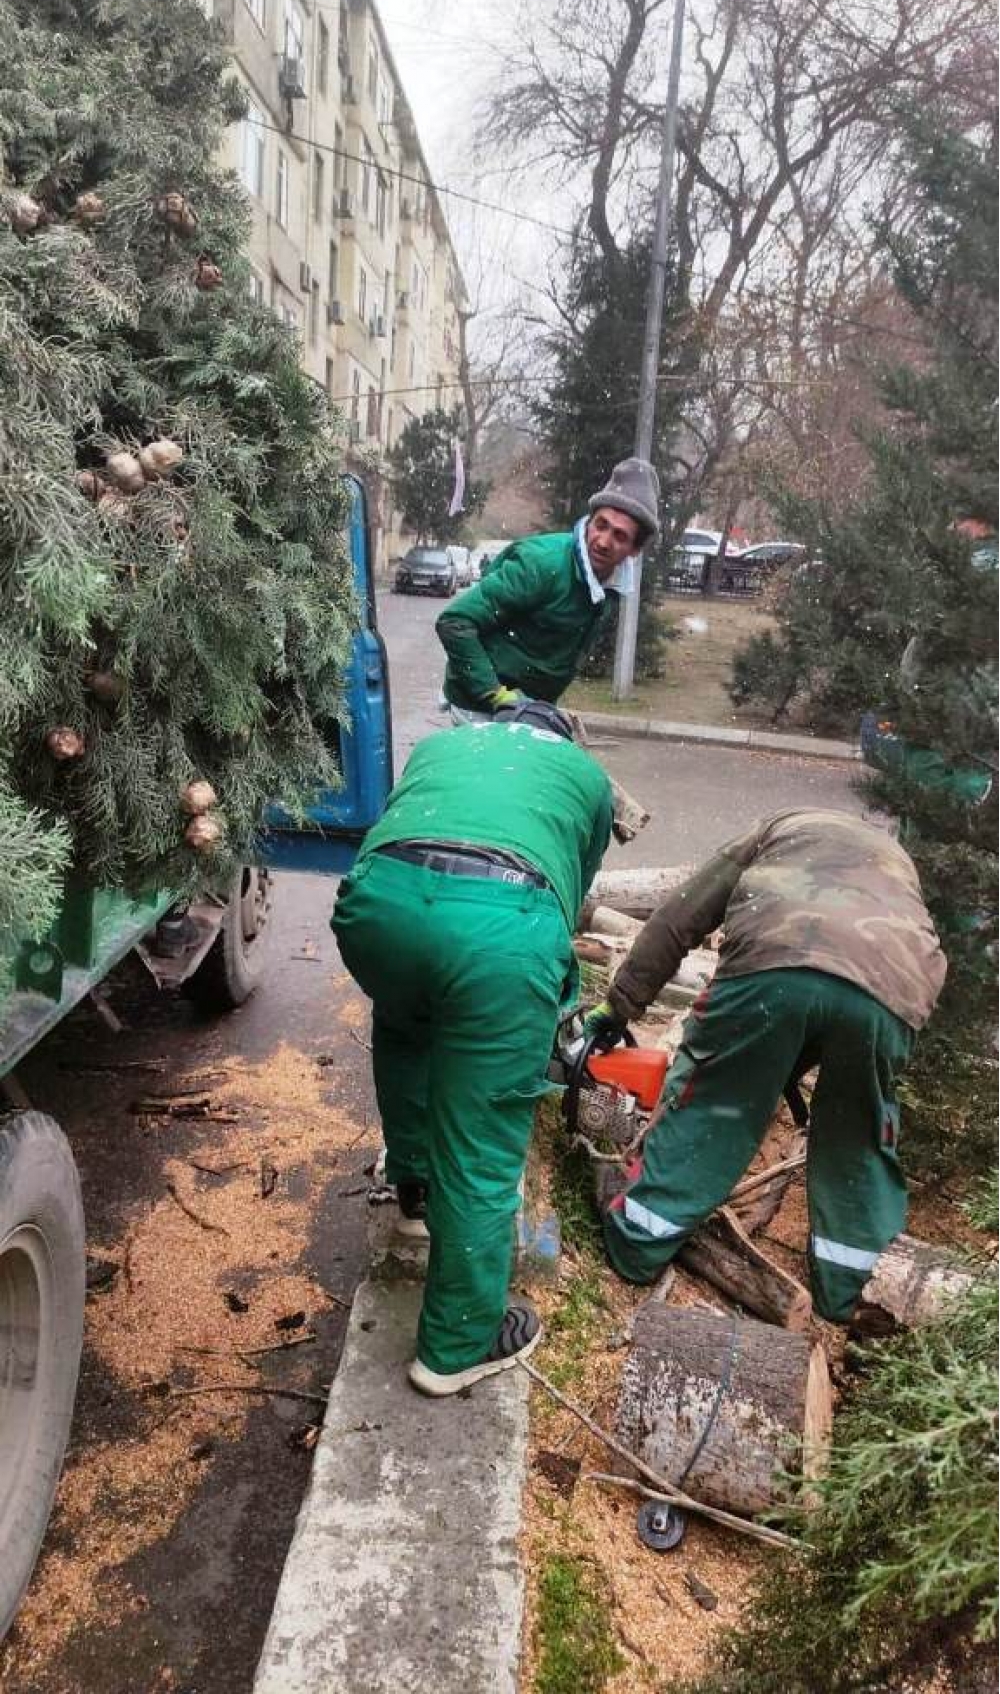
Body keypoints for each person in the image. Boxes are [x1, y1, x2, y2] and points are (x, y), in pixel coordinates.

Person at [332, 701, 614, 1396]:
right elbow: (572, 887)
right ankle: (459, 1342)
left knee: (406, 1034)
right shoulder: (585, 775)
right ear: (562, 739)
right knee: (482, 1133)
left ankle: (416, 1195)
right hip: (499, 926)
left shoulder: (443, 746)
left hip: (379, 909)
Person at [585, 808, 947, 1321]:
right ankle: (856, 1295)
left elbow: (678, 918)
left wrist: (620, 1005)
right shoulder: (898, 867)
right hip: (891, 997)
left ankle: (638, 1242)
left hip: (773, 967)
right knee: (858, 1141)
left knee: (715, 1107)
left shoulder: (778, 828)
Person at [435, 457, 659, 718]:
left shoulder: (611, 587)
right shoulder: (542, 564)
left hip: (527, 708)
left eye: (620, 535)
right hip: (477, 705)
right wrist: (496, 695)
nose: (603, 542)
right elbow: (455, 622)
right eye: (601, 525)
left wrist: (543, 709)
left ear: (635, 550)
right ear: (590, 521)